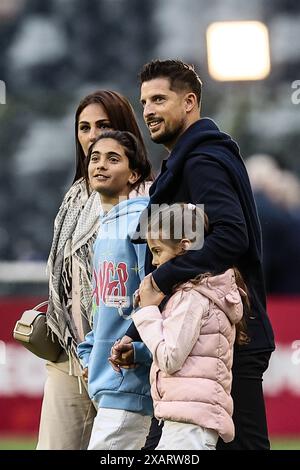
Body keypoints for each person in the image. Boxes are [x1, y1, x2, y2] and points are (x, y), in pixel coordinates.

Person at [111, 59, 275, 450]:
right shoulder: (193, 160)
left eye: (159, 99)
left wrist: (157, 282)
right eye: (144, 101)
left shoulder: (201, 161)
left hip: (226, 337)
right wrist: (137, 333)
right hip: (209, 336)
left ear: (189, 102)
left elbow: (230, 238)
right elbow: (178, 257)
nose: (148, 110)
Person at [37, 90, 151, 450]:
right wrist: (80, 348)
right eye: (84, 127)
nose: (91, 135)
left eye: (103, 125)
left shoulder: (149, 202)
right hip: (70, 350)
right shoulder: (74, 198)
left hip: (119, 354)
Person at [130, 203, 247, 450]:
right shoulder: (198, 293)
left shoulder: (192, 297)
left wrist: (148, 311)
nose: (154, 261)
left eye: (157, 251)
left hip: (189, 423)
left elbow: (171, 358)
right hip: (188, 419)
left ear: (184, 246)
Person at [77, 131, 152, 450]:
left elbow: (158, 298)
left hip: (131, 382)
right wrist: (89, 350)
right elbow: (103, 305)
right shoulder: (105, 226)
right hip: (104, 381)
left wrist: (140, 351)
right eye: (94, 158)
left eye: (113, 158)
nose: (100, 165)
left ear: (134, 173)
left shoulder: (146, 220)